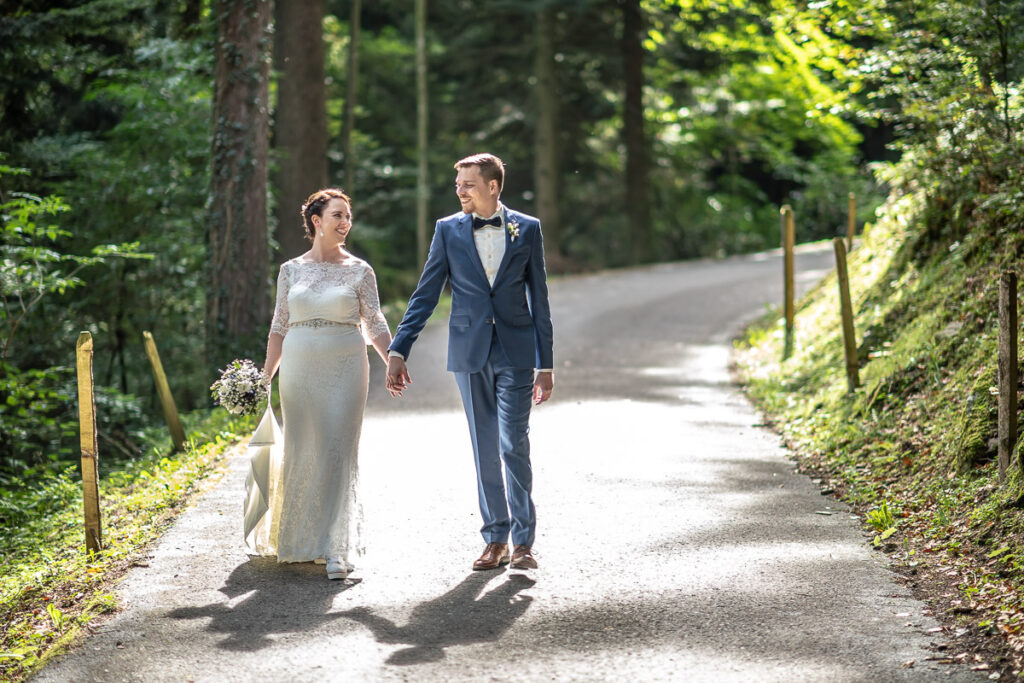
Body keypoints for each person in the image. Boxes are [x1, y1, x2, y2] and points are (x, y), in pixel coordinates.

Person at [386, 153, 554, 571]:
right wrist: (398, 347)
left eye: (468, 184)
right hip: (468, 352)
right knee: (483, 447)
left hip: (515, 351)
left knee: (513, 442)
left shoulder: (526, 228)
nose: (459, 190)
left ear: (492, 186)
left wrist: (545, 363)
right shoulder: (447, 231)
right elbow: (426, 294)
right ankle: (494, 539)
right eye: (458, 184)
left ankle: (524, 543)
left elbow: (541, 300)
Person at [253, 188, 394, 580]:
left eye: (348, 216)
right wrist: (265, 376)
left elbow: (376, 321)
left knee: (337, 448)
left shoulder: (360, 271)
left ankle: (336, 547)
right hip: (298, 368)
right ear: (316, 221)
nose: (345, 222)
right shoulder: (290, 270)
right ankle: (305, 540)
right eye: (338, 215)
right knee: (303, 447)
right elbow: (279, 325)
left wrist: (392, 360)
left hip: (346, 365)